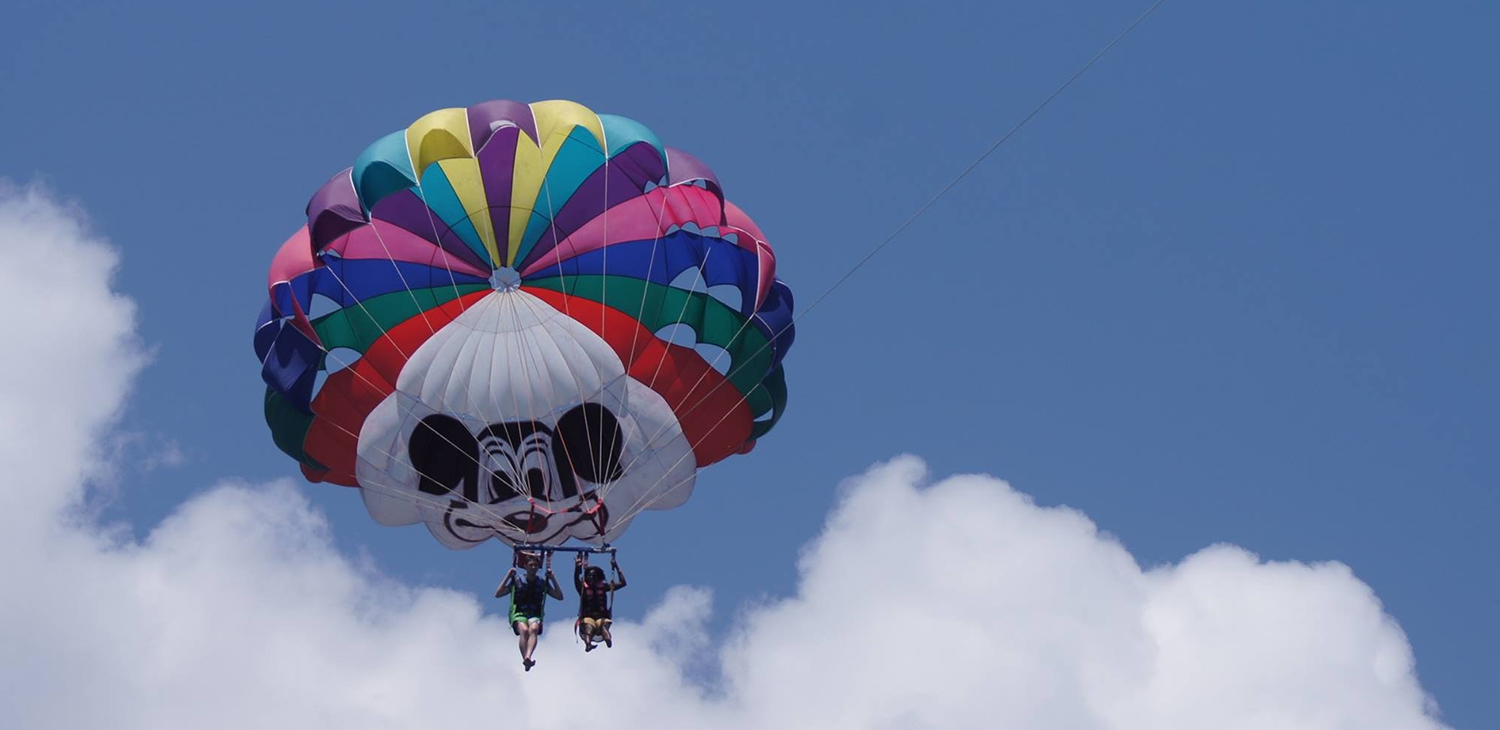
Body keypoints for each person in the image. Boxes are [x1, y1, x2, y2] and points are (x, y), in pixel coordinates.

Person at [496, 550, 564, 671]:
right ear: (525, 566)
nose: (533, 568)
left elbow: (559, 596)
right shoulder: (517, 581)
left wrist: (553, 578)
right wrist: (508, 576)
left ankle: (528, 657)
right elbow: (498, 594)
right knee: (524, 630)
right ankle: (525, 658)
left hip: (534, 614)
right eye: (531, 565)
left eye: (535, 566)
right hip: (519, 614)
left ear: (538, 568)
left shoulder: (541, 583)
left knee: (533, 629)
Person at [574, 553, 626, 651]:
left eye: (593, 576)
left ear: (598, 578)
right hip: (587, 617)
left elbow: (623, 583)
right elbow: (576, 579)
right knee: (589, 628)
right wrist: (577, 568)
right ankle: (588, 644)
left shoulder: (604, 587)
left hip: (602, 617)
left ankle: (608, 639)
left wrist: (616, 566)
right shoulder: (582, 588)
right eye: (589, 576)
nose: (591, 578)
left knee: (603, 628)